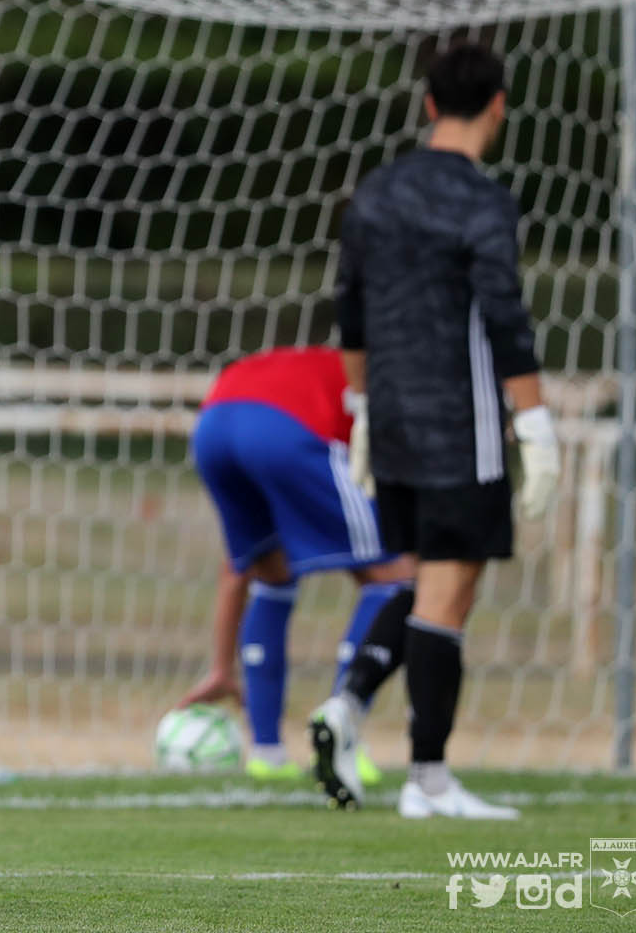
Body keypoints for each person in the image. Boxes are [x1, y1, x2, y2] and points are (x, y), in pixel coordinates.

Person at [314, 41, 558, 820]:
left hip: (391, 417)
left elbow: (348, 308)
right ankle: (429, 779)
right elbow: (505, 316)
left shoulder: (377, 193)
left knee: (424, 582)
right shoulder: (484, 201)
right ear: (499, 106)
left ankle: (349, 705)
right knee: (449, 594)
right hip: (465, 424)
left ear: (426, 106)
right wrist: (538, 421)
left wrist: (359, 408)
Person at [176, 346, 413, 783]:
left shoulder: (301, 365)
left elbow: (235, 573)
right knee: (394, 577)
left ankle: (266, 752)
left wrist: (220, 669)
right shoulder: (382, 382)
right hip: (284, 428)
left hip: (211, 426)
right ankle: (344, 731)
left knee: (270, 570)